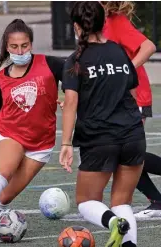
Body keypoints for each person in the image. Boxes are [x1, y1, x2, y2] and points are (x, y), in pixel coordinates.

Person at [0, 19, 65, 238]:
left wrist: (70, 98)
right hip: (11, 134)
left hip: (42, 143)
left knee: (7, 196)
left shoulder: (51, 64)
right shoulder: (1, 78)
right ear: (7, 48)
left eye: (25, 45)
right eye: (14, 47)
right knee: (4, 172)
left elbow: (76, 81)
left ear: (31, 44)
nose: (20, 50)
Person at [59, 2, 146, 247]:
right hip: (133, 135)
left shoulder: (75, 60)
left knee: (86, 201)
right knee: (122, 203)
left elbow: (71, 103)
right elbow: (129, 88)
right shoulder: (118, 51)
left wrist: (66, 142)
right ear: (102, 23)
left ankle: (111, 223)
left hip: (100, 139)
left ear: (77, 27)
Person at [101, 1, 161, 219]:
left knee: (126, 155)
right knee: (122, 156)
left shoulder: (116, 22)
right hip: (117, 99)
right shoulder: (96, 23)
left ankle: (157, 201)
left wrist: (125, 70)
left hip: (134, 96)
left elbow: (149, 47)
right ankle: (157, 201)